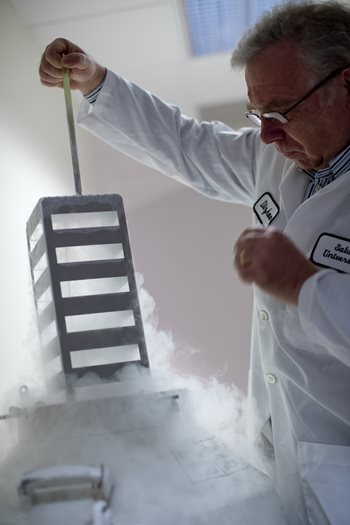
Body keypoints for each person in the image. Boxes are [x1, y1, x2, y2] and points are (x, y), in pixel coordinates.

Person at [39, 1, 350, 523]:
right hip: (291, 458)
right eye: (258, 117)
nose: (267, 136)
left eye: (281, 111)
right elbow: (188, 145)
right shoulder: (275, 156)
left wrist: (304, 284)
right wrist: (96, 83)